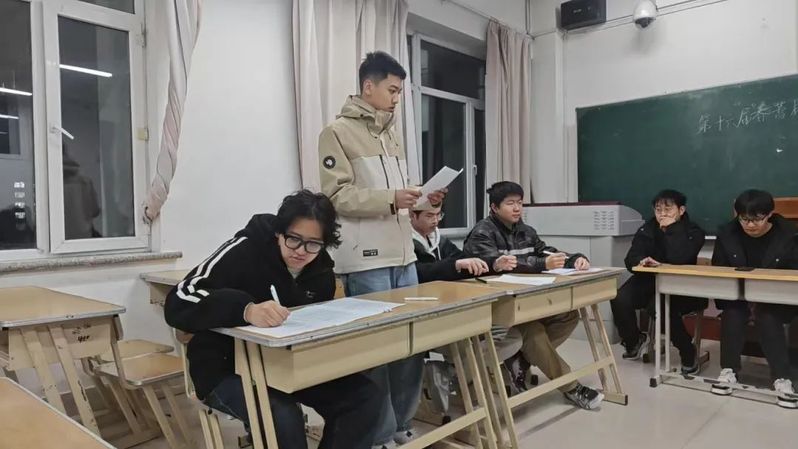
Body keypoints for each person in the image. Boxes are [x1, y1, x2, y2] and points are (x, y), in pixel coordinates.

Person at [164, 190, 381, 448]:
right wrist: (245, 310)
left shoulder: (321, 269)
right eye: (293, 239)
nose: (301, 251)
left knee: (363, 397)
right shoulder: (245, 250)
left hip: (286, 366)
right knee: (281, 415)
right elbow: (179, 298)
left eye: (313, 244)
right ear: (279, 232)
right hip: (224, 368)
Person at [318, 51, 444, 448]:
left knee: (410, 346)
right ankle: (378, 434)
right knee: (376, 352)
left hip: (403, 253)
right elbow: (336, 196)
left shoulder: (391, 134)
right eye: (392, 90)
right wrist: (392, 198)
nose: (396, 98)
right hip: (365, 260)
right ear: (368, 86)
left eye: (399, 92)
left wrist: (422, 198)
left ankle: (402, 423)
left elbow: (397, 196)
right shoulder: (336, 132)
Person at [464, 181, 604, 410]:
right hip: (494, 309)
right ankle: (572, 388)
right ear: (494, 207)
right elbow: (498, 265)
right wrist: (541, 264)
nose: (517, 208)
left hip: (523, 303)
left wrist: (575, 258)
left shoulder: (526, 231)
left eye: (520, 203)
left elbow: (547, 252)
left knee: (569, 315)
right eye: (510, 203)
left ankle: (519, 360)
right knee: (534, 332)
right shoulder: (482, 233)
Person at [410, 202, 527, 393]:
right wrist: (455, 265)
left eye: (439, 215)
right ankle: (456, 377)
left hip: (454, 310)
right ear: (412, 216)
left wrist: (494, 264)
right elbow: (421, 272)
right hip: (427, 317)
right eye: (429, 216)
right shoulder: (405, 244)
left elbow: (465, 260)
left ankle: (450, 375)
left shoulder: (438, 240)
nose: (436, 221)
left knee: (512, 337)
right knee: (483, 342)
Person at [710, 189, 798, 407]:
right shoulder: (727, 234)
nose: (749, 225)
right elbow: (718, 269)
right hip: (738, 296)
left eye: (756, 219)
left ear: (769, 215)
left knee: (767, 316)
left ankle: (782, 378)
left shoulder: (789, 235)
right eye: (744, 219)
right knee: (732, 313)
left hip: (777, 298)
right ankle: (729, 370)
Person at [610, 189, 707, 374]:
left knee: (658, 306)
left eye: (668, 209)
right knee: (619, 298)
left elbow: (679, 258)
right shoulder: (647, 229)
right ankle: (634, 341)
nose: (662, 214)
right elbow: (630, 258)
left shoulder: (694, 231)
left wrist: (672, 229)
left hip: (682, 284)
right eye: (658, 209)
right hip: (649, 280)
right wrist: (641, 261)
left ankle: (688, 351)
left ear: (681, 210)